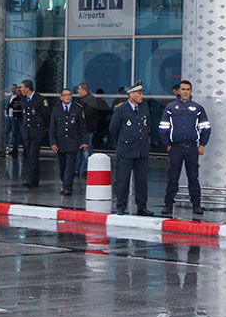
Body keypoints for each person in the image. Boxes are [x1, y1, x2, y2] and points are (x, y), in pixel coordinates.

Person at [159, 79, 211, 216]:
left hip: (192, 149)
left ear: (191, 91)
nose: (185, 92)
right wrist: (167, 145)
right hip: (175, 148)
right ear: (179, 91)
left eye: (188, 89)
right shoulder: (170, 108)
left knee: (193, 178)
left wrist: (202, 145)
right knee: (173, 177)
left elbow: (206, 128)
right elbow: (163, 128)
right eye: (183, 89)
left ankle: (197, 206)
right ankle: (168, 205)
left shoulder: (198, 109)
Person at [109, 81, 153, 216]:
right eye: (139, 93)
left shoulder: (144, 108)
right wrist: (122, 142)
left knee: (141, 181)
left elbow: (147, 127)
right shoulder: (121, 109)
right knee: (123, 180)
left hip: (141, 150)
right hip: (126, 150)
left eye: (141, 93)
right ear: (131, 94)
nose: (141, 96)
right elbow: (113, 129)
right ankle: (121, 206)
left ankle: (142, 206)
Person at [49, 88, 86, 196]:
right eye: (65, 95)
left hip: (72, 143)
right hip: (60, 143)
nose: (68, 97)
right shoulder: (56, 109)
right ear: (61, 97)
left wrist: (84, 141)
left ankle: (67, 187)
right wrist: (53, 143)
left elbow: (82, 128)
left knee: (70, 166)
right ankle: (64, 183)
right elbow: (52, 128)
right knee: (62, 166)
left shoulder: (78, 109)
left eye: (69, 95)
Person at [20, 79, 49, 188]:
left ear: (28, 88)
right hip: (27, 131)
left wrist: (45, 128)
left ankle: (30, 180)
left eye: (22, 87)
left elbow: (47, 115)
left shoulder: (40, 99)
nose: (21, 89)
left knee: (33, 156)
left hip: (37, 131)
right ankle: (35, 179)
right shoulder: (23, 99)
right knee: (31, 156)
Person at [75, 83, 99, 175]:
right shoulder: (81, 100)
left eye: (79, 89)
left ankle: (85, 169)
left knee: (87, 150)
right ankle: (76, 169)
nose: (78, 91)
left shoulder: (91, 100)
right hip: (80, 129)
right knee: (78, 150)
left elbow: (87, 112)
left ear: (84, 90)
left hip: (88, 129)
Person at [5, 84, 23, 158]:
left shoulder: (22, 98)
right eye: (12, 88)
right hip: (12, 117)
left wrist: (17, 105)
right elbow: (10, 105)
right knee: (12, 133)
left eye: (15, 89)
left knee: (21, 134)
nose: (14, 90)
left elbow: (21, 106)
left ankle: (25, 150)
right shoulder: (12, 98)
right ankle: (12, 149)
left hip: (19, 118)